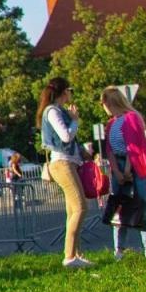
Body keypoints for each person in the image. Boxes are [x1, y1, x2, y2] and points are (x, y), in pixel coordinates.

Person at [37, 77, 92, 269]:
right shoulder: (52, 111)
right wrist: (75, 121)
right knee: (80, 207)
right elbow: (65, 136)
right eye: (70, 89)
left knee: (72, 210)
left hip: (69, 162)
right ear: (63, 92)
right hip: (62, 163)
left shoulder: (59, 111)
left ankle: (76, 253)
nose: (71, 93)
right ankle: (69, 256)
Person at [101, 88, 146, 260]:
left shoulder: (132, 118)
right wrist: (117, 171)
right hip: (118, 164)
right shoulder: (111, 123)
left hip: (136, 165)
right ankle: (119, 248)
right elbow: (109, 149)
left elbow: (133, 146)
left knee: (141, 205)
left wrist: (127, 170)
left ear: (110, 102)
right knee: (119, 207)